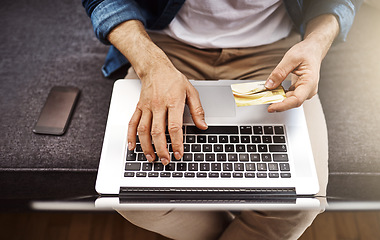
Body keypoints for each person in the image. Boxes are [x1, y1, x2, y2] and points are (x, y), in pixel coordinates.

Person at [83, 0, 362, 239]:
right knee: (132, 196)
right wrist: (151, 65)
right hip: (164, 50)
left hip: (274, 57)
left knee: (301, 203)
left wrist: (315, 44)